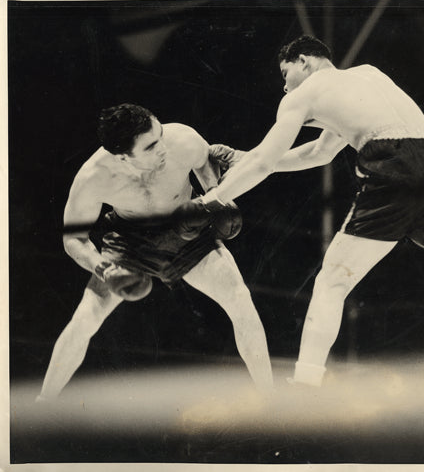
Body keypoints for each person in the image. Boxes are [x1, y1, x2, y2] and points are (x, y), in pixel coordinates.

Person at [201, 35, 424, 388]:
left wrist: (212, 199)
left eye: (285, 74)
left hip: (395, 161)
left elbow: (265, 161)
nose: (284, 87)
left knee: (332, 281)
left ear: (303, 60)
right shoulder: (369, 75)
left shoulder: (304, 94)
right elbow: (317, 154)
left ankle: (304, 387)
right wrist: (245, 158)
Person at [36, 103, 273, 402]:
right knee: (84, 320)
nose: (163, 147)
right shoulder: (92, 178)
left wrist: (215, 198)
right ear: (122, 156)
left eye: (159, 135)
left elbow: (203, 162)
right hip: (131, 242)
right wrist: (103, 268)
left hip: (187, 233)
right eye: (150, 146)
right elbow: (74, 240)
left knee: (240, 299)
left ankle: (270, 402)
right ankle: (44, 403)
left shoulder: (182, 139)